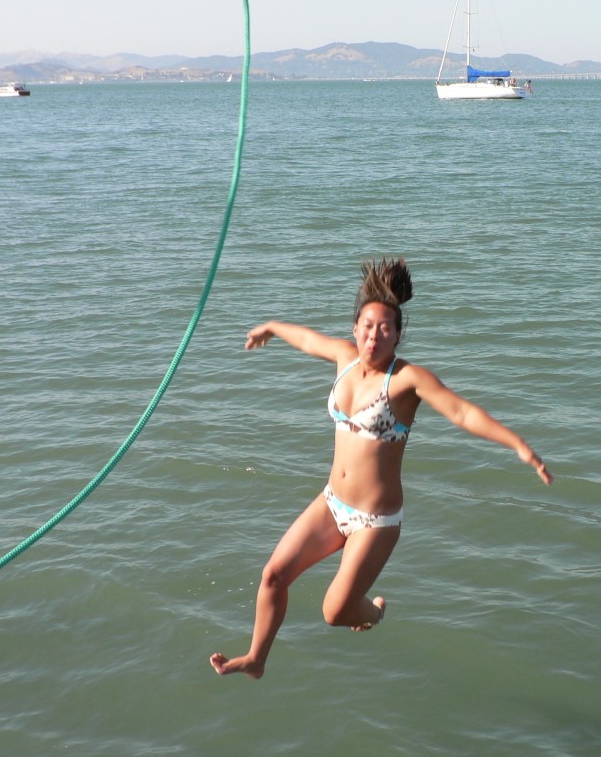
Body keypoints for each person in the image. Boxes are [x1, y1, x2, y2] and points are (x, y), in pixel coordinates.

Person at [211, 258, 552, 679]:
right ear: (355, 328)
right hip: (332, 503)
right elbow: (306, 338)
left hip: (375, 521)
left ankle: (372, 612)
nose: (375, 336)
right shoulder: (344, 358)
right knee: (273, 576)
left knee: (334, 612)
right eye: (368, 326)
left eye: (386, 328)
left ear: (398, 334)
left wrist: (519, 446)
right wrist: (271, 327)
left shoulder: (407, 380)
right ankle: (256, 659)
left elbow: (462, 412)